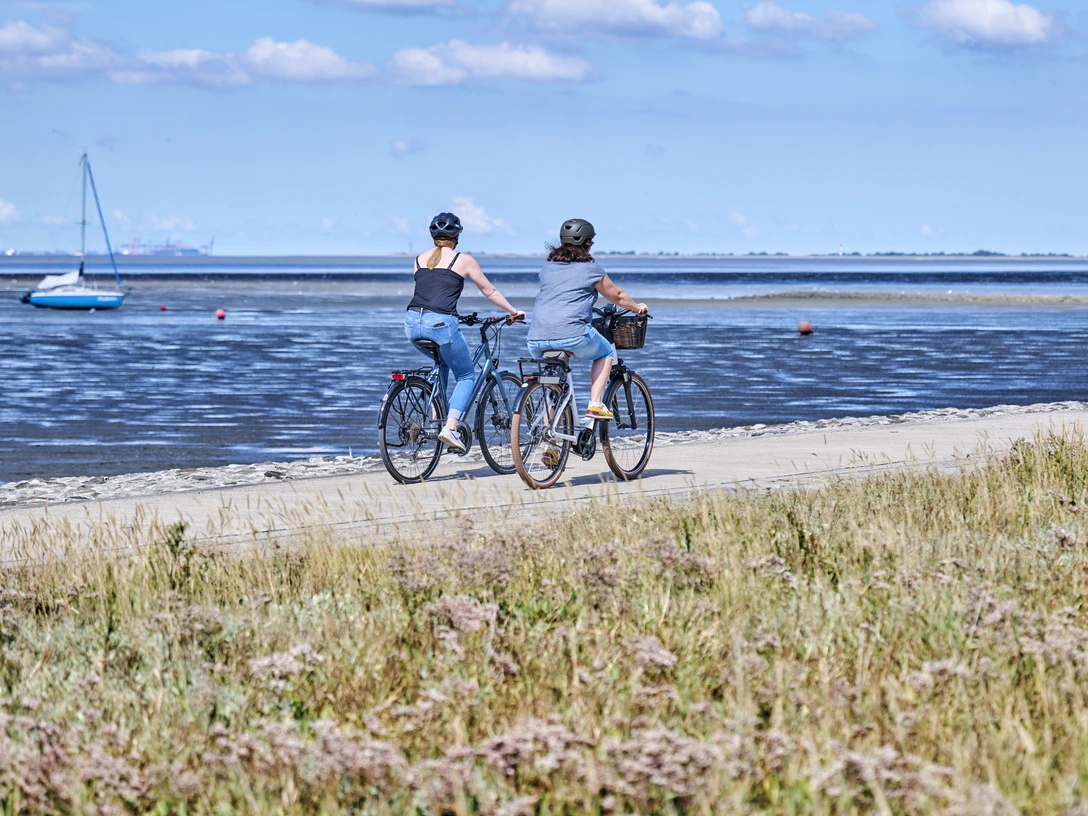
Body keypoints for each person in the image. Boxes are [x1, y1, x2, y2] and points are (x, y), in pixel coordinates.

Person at [405, 212, 524, 453]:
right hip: (440, 324)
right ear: (457, 236)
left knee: (443, 363)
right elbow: (490, 291)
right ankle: (450, 428)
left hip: (411, 323)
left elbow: (432, 292)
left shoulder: (419, 259)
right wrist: (513, 311)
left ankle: (436, 415)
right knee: (466, 375)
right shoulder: (464, 259)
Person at [526, 218, 648, 420]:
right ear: (587, 243)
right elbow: (616, 296)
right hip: (572, 335)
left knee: (556, 385)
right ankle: (595, 404)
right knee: (606, 351)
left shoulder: (548, 266)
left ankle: (548, 436)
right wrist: (638, 308)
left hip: (536, 339)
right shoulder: (590, 268)